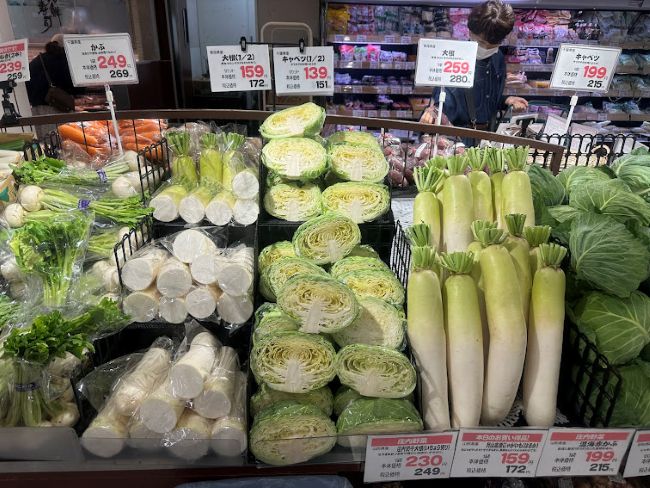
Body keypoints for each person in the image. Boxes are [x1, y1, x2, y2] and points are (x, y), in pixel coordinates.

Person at [420, 0, 528, 133]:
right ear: (470, 31)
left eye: (493, 45)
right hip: (457, 137)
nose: (486, 48)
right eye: (481, 42)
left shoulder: (498, 58)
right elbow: (441, 101)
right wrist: (434, 111)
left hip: (488, 135)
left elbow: (486, 99)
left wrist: (505, 100)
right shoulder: (455, 59)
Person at [26, 34, 79, 137]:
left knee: (44, 140)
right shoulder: (65, 60)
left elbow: (26, 84)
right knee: (64, 140)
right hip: (59, 107)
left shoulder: (38, 60)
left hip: (36, 111)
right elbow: (74, 85)